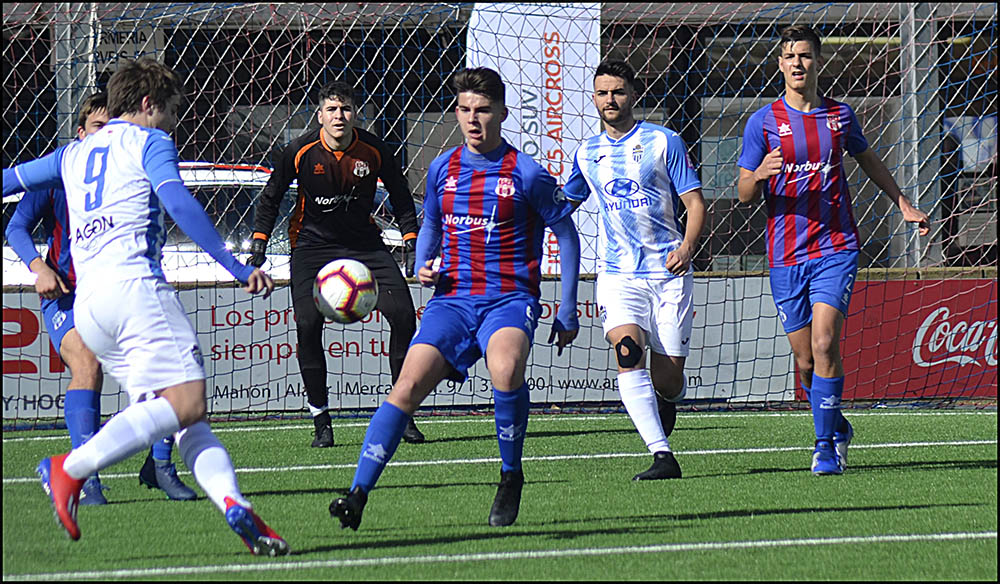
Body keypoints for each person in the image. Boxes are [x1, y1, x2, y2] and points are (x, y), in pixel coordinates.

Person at [2, 57, 289, 555]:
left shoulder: (73, 154)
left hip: (89, 306)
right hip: (135, 289)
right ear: (147, 104)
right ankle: (68, 469)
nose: (174, 124)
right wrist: (238, 267)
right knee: (188, 403)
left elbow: (9, 179)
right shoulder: (150, 141)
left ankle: (235, 506)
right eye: (172, 111)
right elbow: (177, 203)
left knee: (183, 419)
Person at [329, 66, 581, 530]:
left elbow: (566, 234)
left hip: (508, 298)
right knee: (405, 388)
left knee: (505, 368)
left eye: (483, 109)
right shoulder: (443, 168)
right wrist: (423, 263)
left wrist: (567, 307)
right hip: (452, 301)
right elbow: (431, 224)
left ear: (502, 113)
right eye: (465, 109)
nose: (473, 119)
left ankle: (510, 475)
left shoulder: (526, 173)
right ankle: (357, 493)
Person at [737, 25, 930, 475]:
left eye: (805, 55)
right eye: (789, 57)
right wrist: (759, 173)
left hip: (836, 247)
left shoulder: (840, 116)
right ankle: (837, 424)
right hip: (786, 254)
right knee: (806, 363)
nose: (797, 64)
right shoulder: (762, 122)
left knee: (825, 343)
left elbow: (868, 159)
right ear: (779, 64)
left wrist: (903, 204)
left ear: (817, 61)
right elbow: (743, 192)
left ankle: (824, 447)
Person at [4, 92, 197, 504]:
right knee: (87, 364)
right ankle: (85, 476)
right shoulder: (65, 169)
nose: (107, 135)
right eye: (97, 127)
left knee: (161, 374)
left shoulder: (137, 160)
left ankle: (161, 466)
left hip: (124, 287)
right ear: (80, 133)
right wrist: (39, 268)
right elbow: (17, 226)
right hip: (68, 293)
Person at [248, 80, 426, 448]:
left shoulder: (374, 150)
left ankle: (402, 414)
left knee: (405, 315)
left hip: (364, 245)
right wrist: (259, 244)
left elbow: (401, 196)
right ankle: (321, 420)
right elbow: (270, 197)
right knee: (307, 322)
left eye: (345, 108)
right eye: (332, 109)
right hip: (311, 247)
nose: (339, 115)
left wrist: (411, 239)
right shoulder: (298, 151)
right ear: (320, 115)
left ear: (355, 114)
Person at [563, 60, 707, 481]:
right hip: (617, 273)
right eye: (603, 93)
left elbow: (695, 205)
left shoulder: (664, 142)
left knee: (668, 381)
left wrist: (687, 245)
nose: (611, 100)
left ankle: (668, 399)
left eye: (618, 92)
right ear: (593, 98)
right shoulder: (587, 152)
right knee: (627, 352)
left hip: (667, 273)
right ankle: (662, 455)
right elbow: (564, 201)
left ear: (633, 95)